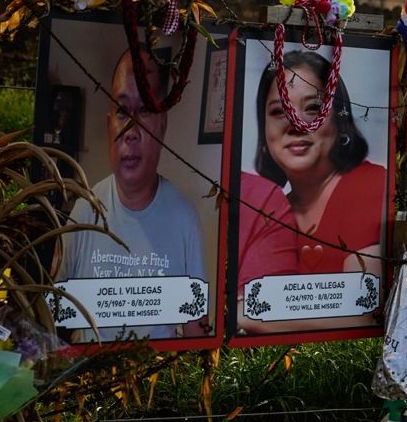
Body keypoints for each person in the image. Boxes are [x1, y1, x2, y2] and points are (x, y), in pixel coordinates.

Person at [57, 51, 206, 341]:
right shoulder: (84, 211)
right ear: (109, 123)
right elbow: (55, 322)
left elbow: (196, 330)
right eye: (123, 111)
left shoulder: (183, 219)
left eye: (146, 111)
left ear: (163, 126)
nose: (131, 131)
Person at [237, 50, 387, 332]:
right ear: (264, 128)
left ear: (340, 120)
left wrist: (248, 315)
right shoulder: (270, 207)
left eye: (313, 109)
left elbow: (365, 312)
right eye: (279, 111)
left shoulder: (367, 184)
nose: (296, 124)